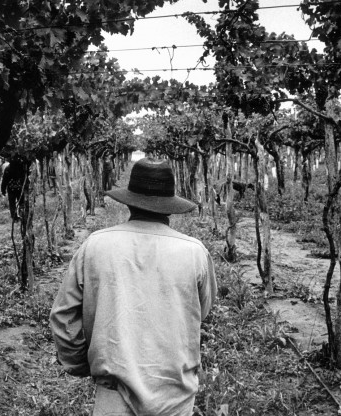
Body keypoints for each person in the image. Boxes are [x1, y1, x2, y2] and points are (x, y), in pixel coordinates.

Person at [50, 158, 217, 415]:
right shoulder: (195, 252)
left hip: (113, 393)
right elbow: (201, 311)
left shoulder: (95, 245)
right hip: (175, 395)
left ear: (128, 201)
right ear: (170, 206)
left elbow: (63, 316)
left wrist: (78, 363)